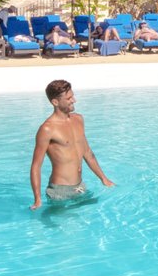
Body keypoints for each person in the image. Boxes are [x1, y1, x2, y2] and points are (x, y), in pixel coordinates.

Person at [30, 79, 114, 209]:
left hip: (80, 187)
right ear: (55, 102)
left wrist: (104, 179)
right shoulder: (47, 129)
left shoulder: (78, 119)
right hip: (60, 191)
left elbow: (88, 153)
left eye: (73, 96)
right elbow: (36, 166)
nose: (74, 100)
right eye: (69, 98)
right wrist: (37, 199)